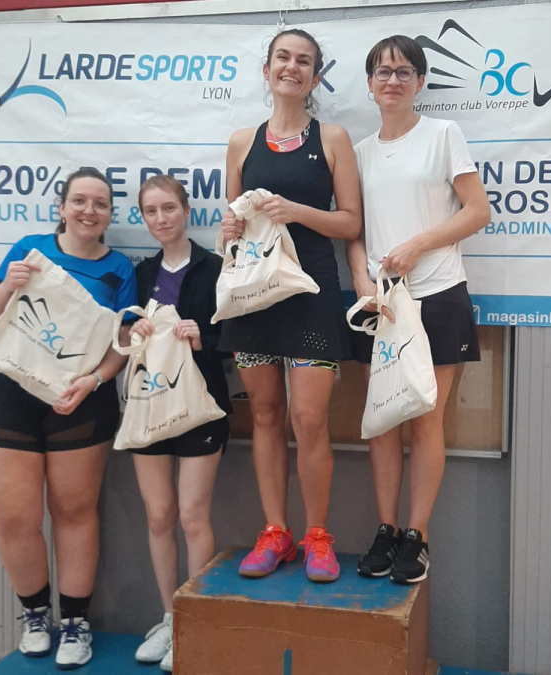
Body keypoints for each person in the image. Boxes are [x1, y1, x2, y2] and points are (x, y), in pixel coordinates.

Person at [0, 168, 136, 668]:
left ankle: (75, 623)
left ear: (109, 214)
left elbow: (124, 343)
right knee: (14, 516)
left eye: (101, 204)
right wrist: (8, 287)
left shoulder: (120, 268)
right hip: (11, 396)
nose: (90, 211)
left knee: (74, 512)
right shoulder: (30, 249)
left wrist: (97, 380)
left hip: (79, 400)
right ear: (62, 207)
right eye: (80, 201)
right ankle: (35, 616)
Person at [219, 28, 362, 583]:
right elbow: (231, 226)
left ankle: (317, 535)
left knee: (308, 418)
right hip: (254, 296)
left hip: (311, 293)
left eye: (304, 61)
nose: (292, 67)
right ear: (267, 69)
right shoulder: (240, 142)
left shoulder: (333, 138)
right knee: (263, 414)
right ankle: (275, 532)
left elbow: (350, 222)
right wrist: (230, 229)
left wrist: (296, 211)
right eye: (283, 57)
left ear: (316, 77)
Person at [347, 35, 491, 584]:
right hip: (381, 306)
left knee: (426, 421)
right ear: (369, 84)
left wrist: (417, 246)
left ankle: (416, 535)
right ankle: (385, 529)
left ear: (420, 82)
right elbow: (354, 231)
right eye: (383, 72)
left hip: (438, 294)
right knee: (383, 421)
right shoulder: (359, 152)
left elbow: (477, 211)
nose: (393, 80)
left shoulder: (443, 134)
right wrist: (363, 283)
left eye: (404, 71)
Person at [127, 176, 230, 671]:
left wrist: (202, 335)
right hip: (149, 405)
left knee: (192, 516)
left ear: (187, 211)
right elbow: (120, 331)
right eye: (151, 211)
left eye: (169, 208)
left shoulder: (215, 267)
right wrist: (135, 327)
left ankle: (195, 620)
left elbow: (235, 331)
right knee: (158, 516)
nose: (161, 218)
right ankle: (170, 617)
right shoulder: (141, 273)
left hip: (200, 405)